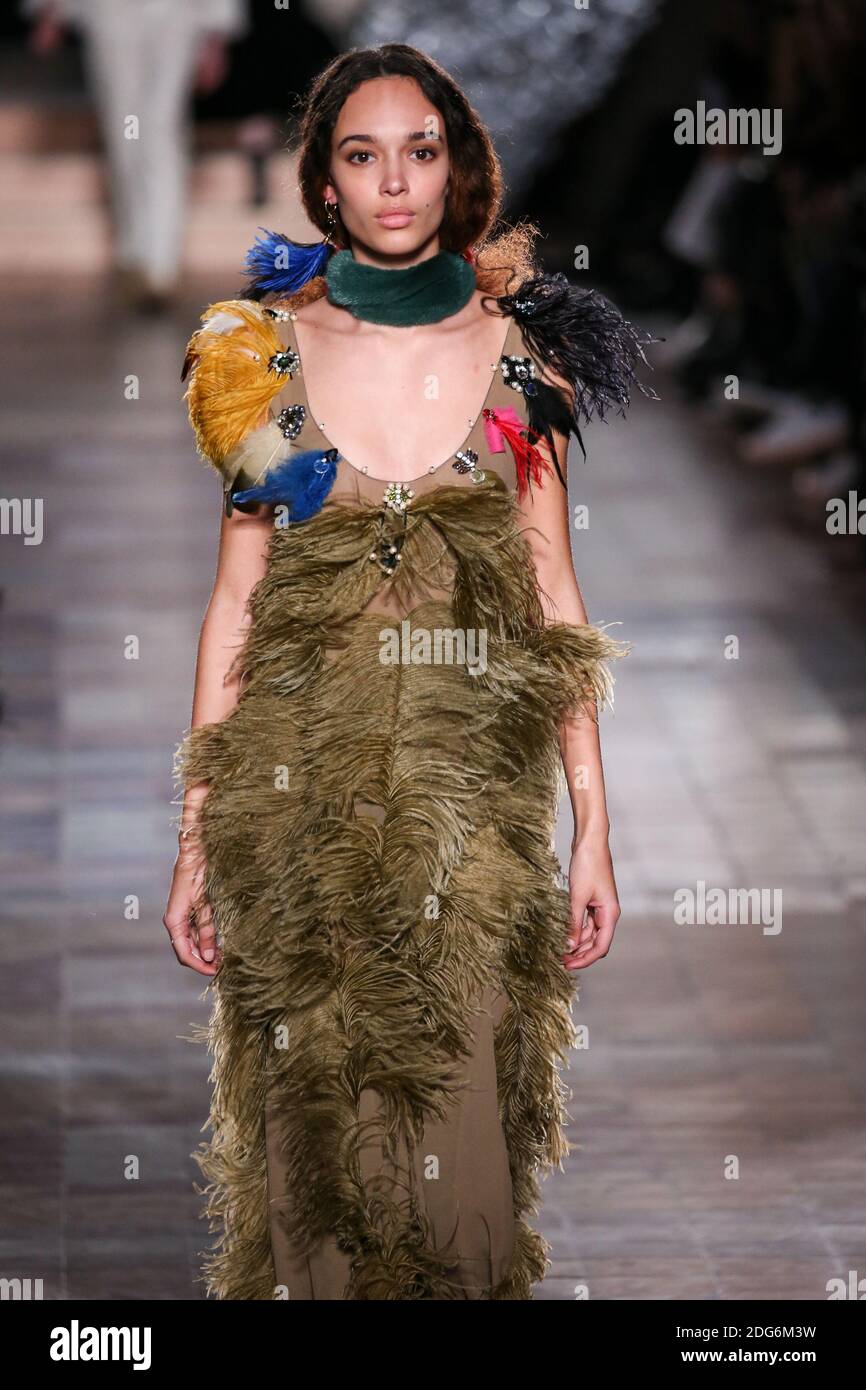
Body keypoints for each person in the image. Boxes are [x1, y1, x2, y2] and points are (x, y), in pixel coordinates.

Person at [166, 43, 656, 1301]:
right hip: (293, 814)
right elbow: (234, 601)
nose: (394, 182)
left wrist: (592, 826)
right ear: (324, 184)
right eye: (361, 153)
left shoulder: (520, 358)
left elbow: (554, 597)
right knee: (313, 1155)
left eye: (420, 151)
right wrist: (194, 832)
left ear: (457, 171)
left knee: (462, 1154)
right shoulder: (257, 355)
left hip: (473, 827)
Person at [24, 0, 248, 311]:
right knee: (125, 127)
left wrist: (216, 29)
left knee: (162, 125)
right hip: (112, 13)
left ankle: (161, 263)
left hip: (179, 13)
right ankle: (136, 253)